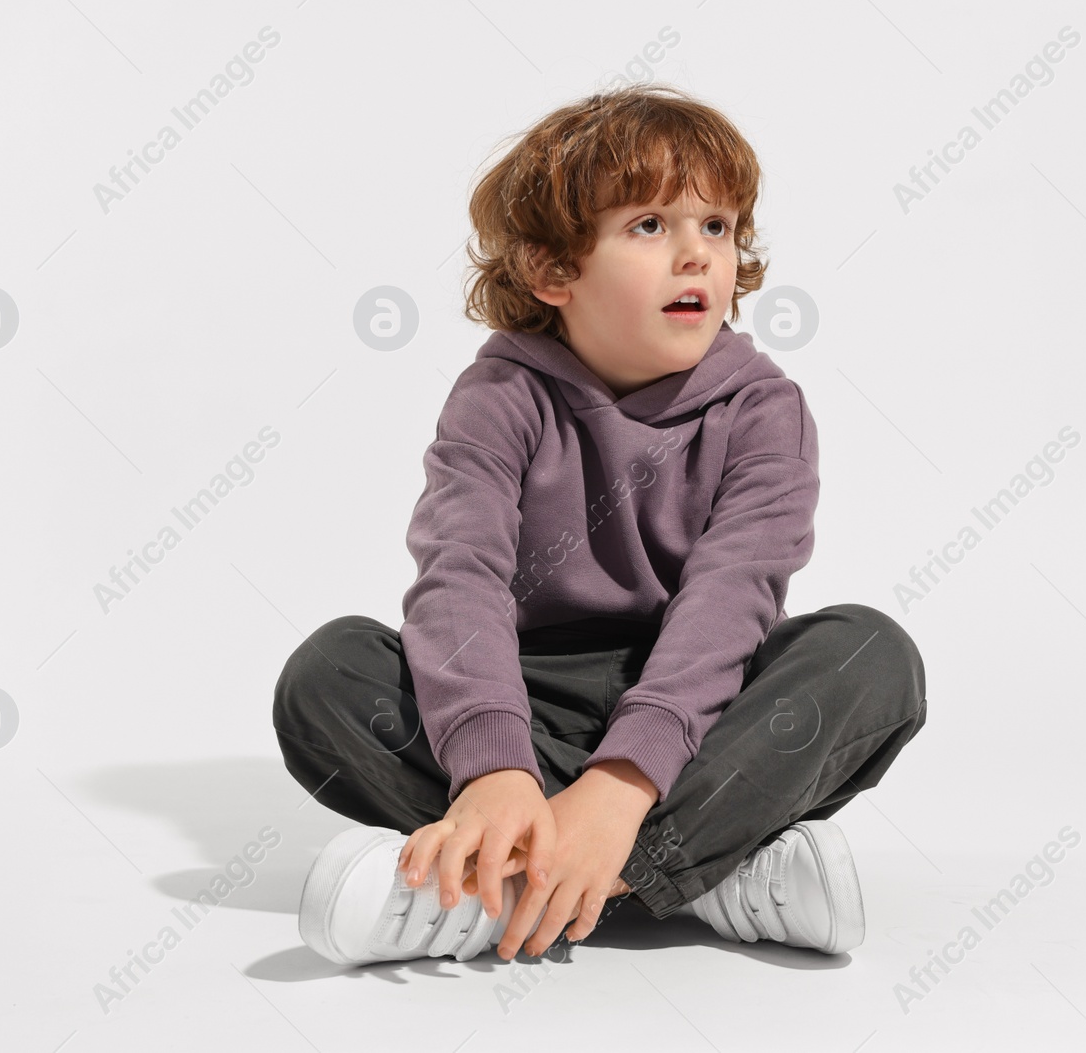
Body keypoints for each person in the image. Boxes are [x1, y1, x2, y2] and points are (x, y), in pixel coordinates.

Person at [272, 83, 928, 968]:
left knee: (870, 654)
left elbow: (731, 604)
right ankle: (710, 871)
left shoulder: (766, 410)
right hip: (523, 697)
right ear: (554, 272)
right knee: (329, 673)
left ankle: (514, 890)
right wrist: (494, 767)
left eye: (719, 226)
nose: (697, 254)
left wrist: (620, 789)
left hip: (696, 711)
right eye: (651, 226)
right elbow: (457, 575)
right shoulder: (500, 396)